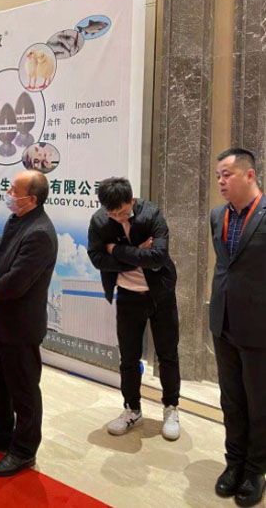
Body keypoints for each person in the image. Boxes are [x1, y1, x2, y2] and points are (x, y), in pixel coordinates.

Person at [0, 170, 58, 477]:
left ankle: (23, 450)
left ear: (31, 199)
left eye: (12, 190)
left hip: (21, 324)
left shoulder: (40, 232)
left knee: (23, 389)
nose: (7, 193)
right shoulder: (16, 219)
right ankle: (0, 431)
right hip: (1, 319)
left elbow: (20, 278)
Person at [87, 177, 180, 440]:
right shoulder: (99, 221)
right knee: (128, 357)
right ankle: (132, 409)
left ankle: (171, 407)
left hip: (160, 294)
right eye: (112, 214)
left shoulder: (151, 214)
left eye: (123, 212)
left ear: (132, 200)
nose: (118, 217)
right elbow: (97, 259)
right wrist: (137, 253)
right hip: (128, 297)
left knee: (167, 354)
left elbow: (158, 257)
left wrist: (117, 250)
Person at [211, 148, 266, 507]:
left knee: (259, 402)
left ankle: (255, 470)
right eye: (218, 175)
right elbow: (225, 267)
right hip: (223, 322)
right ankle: (233, 462)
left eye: (226, 174)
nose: (220, 181)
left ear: (249, 175)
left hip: (259, 326)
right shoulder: (217, 215)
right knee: (231, 399)